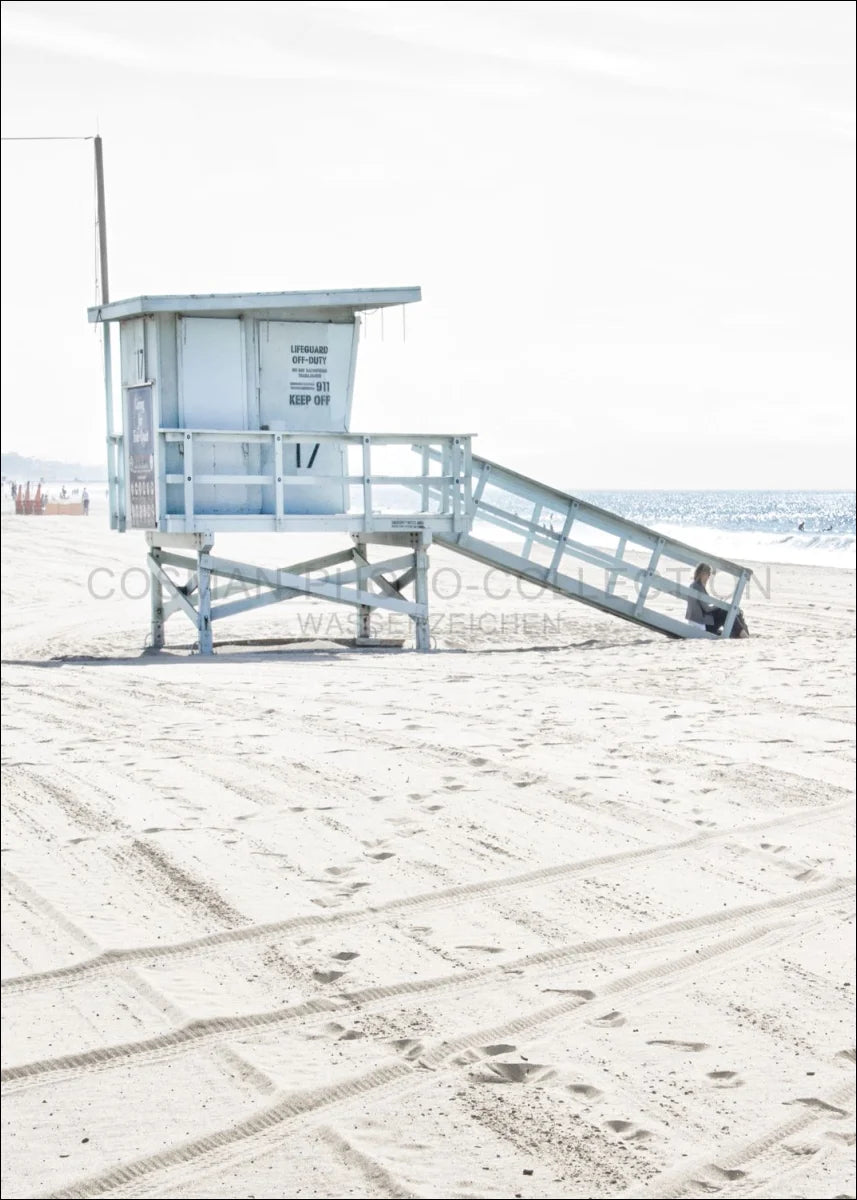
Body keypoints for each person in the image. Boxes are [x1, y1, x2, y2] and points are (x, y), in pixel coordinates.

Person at [686, 562, 749, 638]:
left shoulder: (695, 585)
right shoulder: (698, 587)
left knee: (729, 613)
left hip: (702, 621)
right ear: (703, 574)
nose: (709, 577)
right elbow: (706, 609)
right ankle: (744, 635)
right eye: (708, 574)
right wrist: (719, 605)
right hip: (702, 623)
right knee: (725, 612)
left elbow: (704, 607)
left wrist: (718, 605)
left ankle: (741, 633)